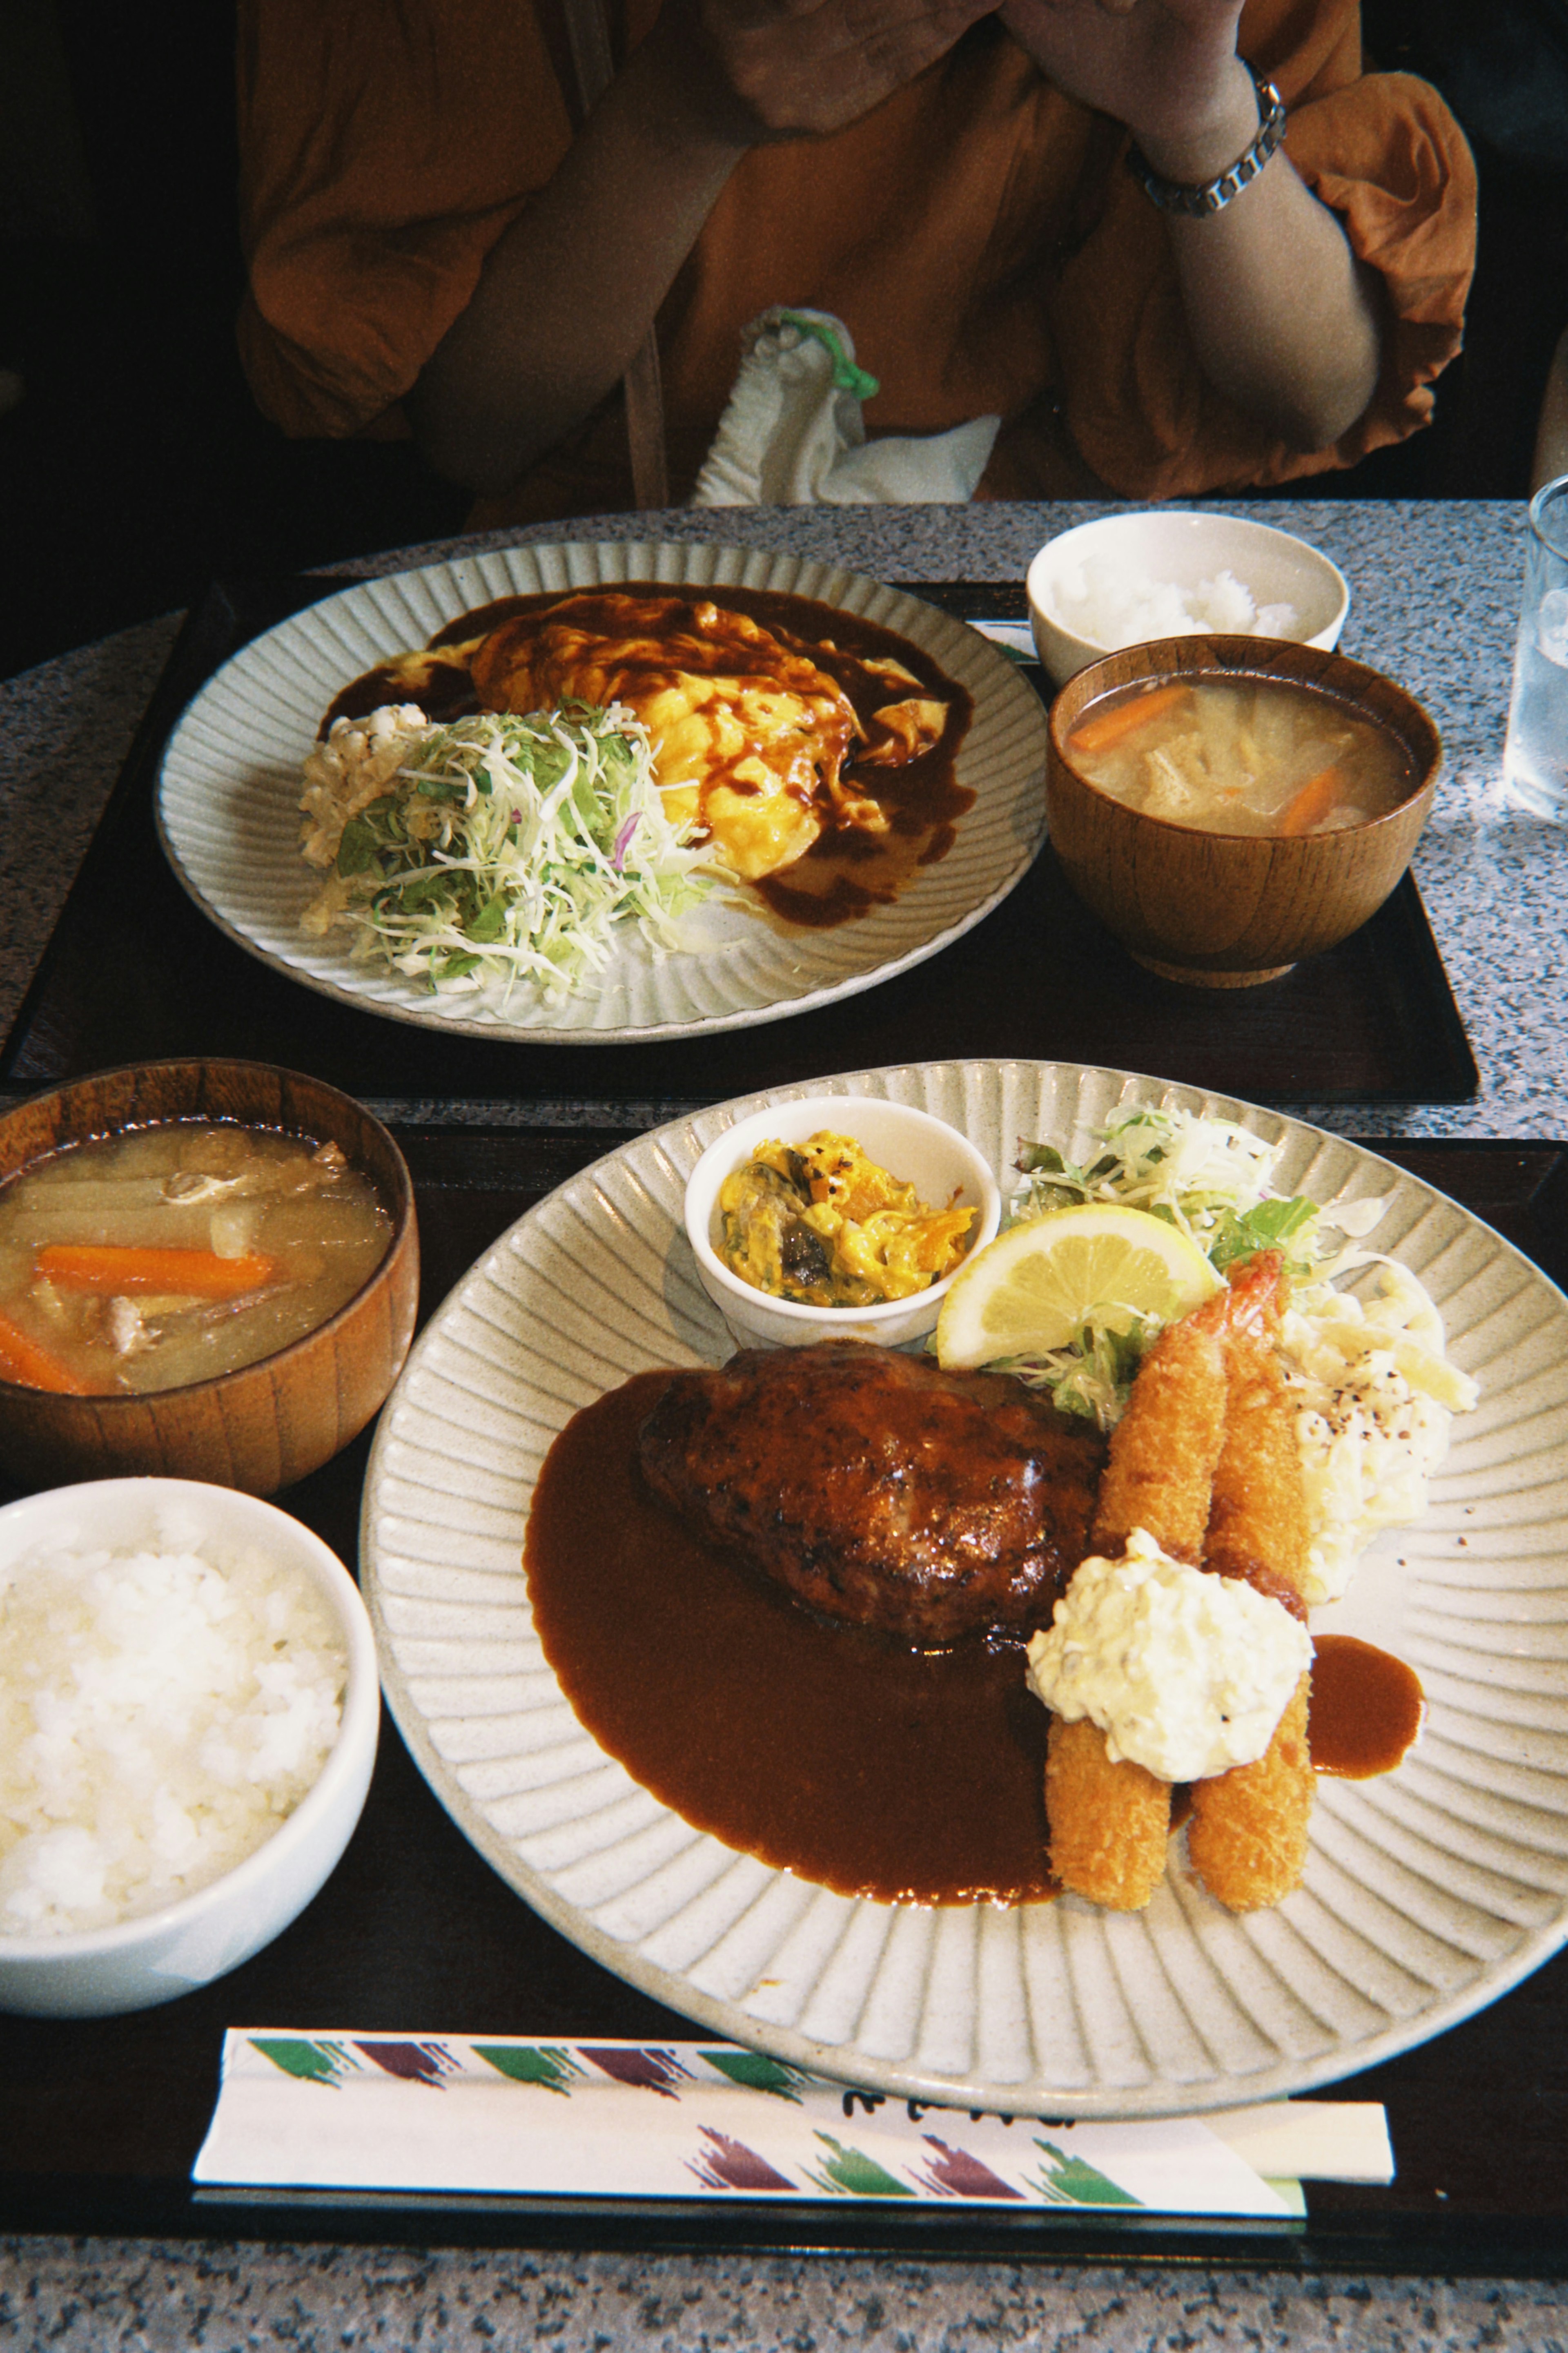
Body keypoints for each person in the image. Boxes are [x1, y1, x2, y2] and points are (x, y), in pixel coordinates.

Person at [236, 0, 1476, 523]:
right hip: (610, 593)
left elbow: (1315, 389)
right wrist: (684, 115)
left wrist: (1195, 112)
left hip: (1043, 608)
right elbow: (470, 434)